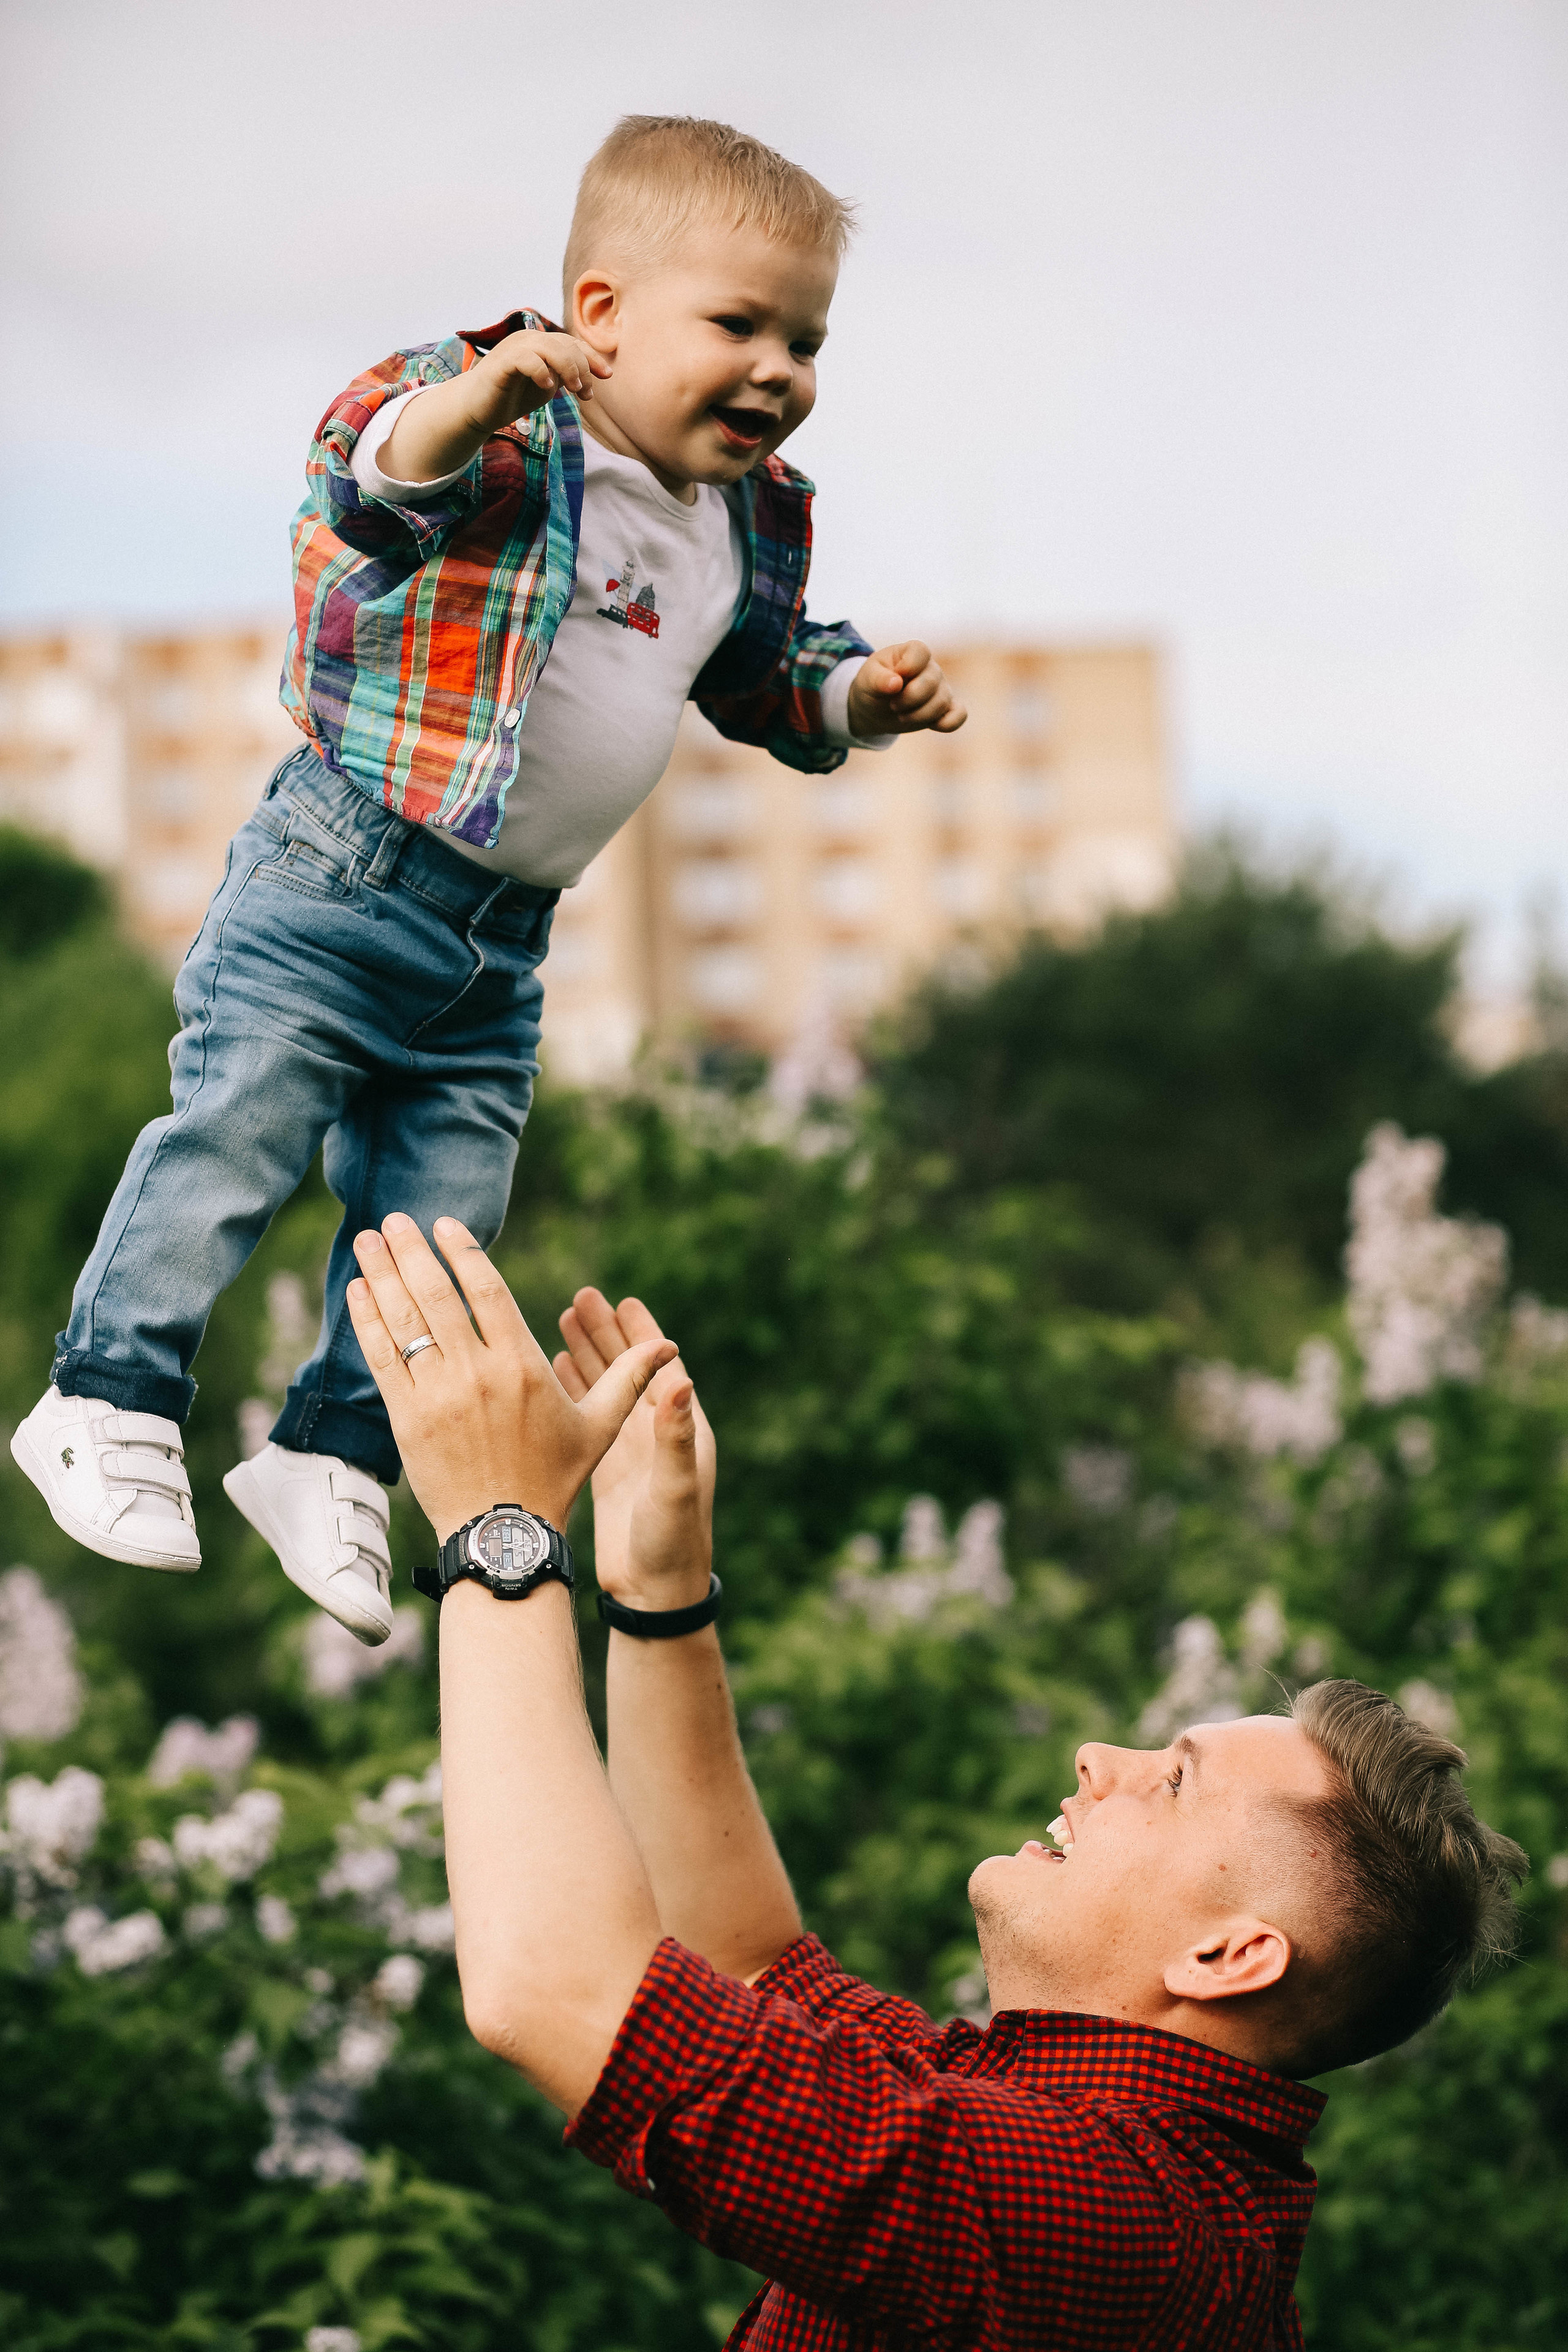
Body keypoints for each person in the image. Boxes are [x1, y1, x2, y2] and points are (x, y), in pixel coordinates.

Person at [11, 116, 964, 1646]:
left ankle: (331, 1455)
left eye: (804, 339)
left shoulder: (742, 520)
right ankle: (104, 1393)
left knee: (441, 1228)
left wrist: (861, 699)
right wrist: (474, 399)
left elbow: (761, 677)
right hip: (340, 882)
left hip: (499, 950)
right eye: (737, 325)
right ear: (598, 314)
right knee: (241, 1126)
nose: (778, 369)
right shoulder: (514, 437)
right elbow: (368, 488)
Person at [340, 1210, 1528, 2352]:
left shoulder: (1121, 2232)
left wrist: (498, 1528)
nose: (1095, 1761)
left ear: (1229, 1956)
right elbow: (740, 1970)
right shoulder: (1055, 2122)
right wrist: (659, 1595)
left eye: (1171, 1783)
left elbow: (555, 1994)